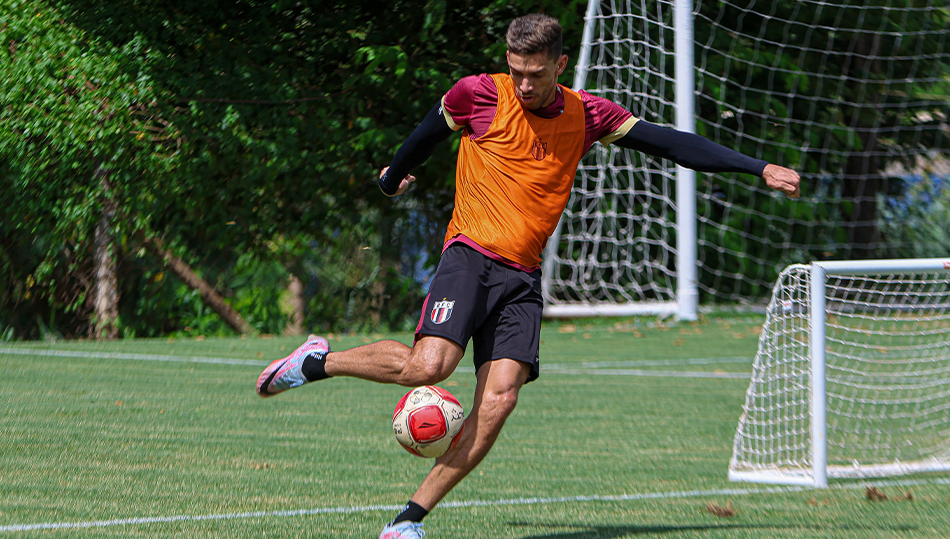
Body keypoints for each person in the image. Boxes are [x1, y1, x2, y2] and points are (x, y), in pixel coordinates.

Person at [256, 13, 800, 539]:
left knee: (499, 401)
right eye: (516, 71)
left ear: (560, 64)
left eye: (536, 75)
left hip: (523, 277)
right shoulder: (477, 94)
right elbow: (425, 135)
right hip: (470, 255)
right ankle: (314, 362)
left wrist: (758, 168)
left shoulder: (588, 114)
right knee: (430, 366)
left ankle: (407, 520)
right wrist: (392, 179)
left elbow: (670, 142)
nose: (523, 84)